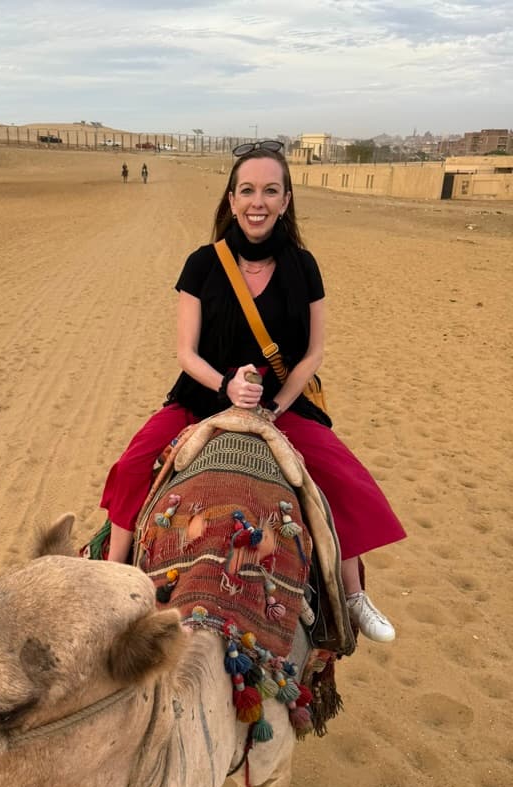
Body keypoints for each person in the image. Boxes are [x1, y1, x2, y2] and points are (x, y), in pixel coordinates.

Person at [100, 141, 406, 642]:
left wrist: (276, 406)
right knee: (135, 464)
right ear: (232, 198)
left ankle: (350, 594)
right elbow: (186, 352)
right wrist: (225, 385)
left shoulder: (303, 266)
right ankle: (110, 579)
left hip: (280, 403)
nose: (257, 202)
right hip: (203, 396)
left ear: (285, 200)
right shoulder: (202, 263)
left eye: (269, 190)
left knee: (343, 478)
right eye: (247, 190)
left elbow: (312, 355)